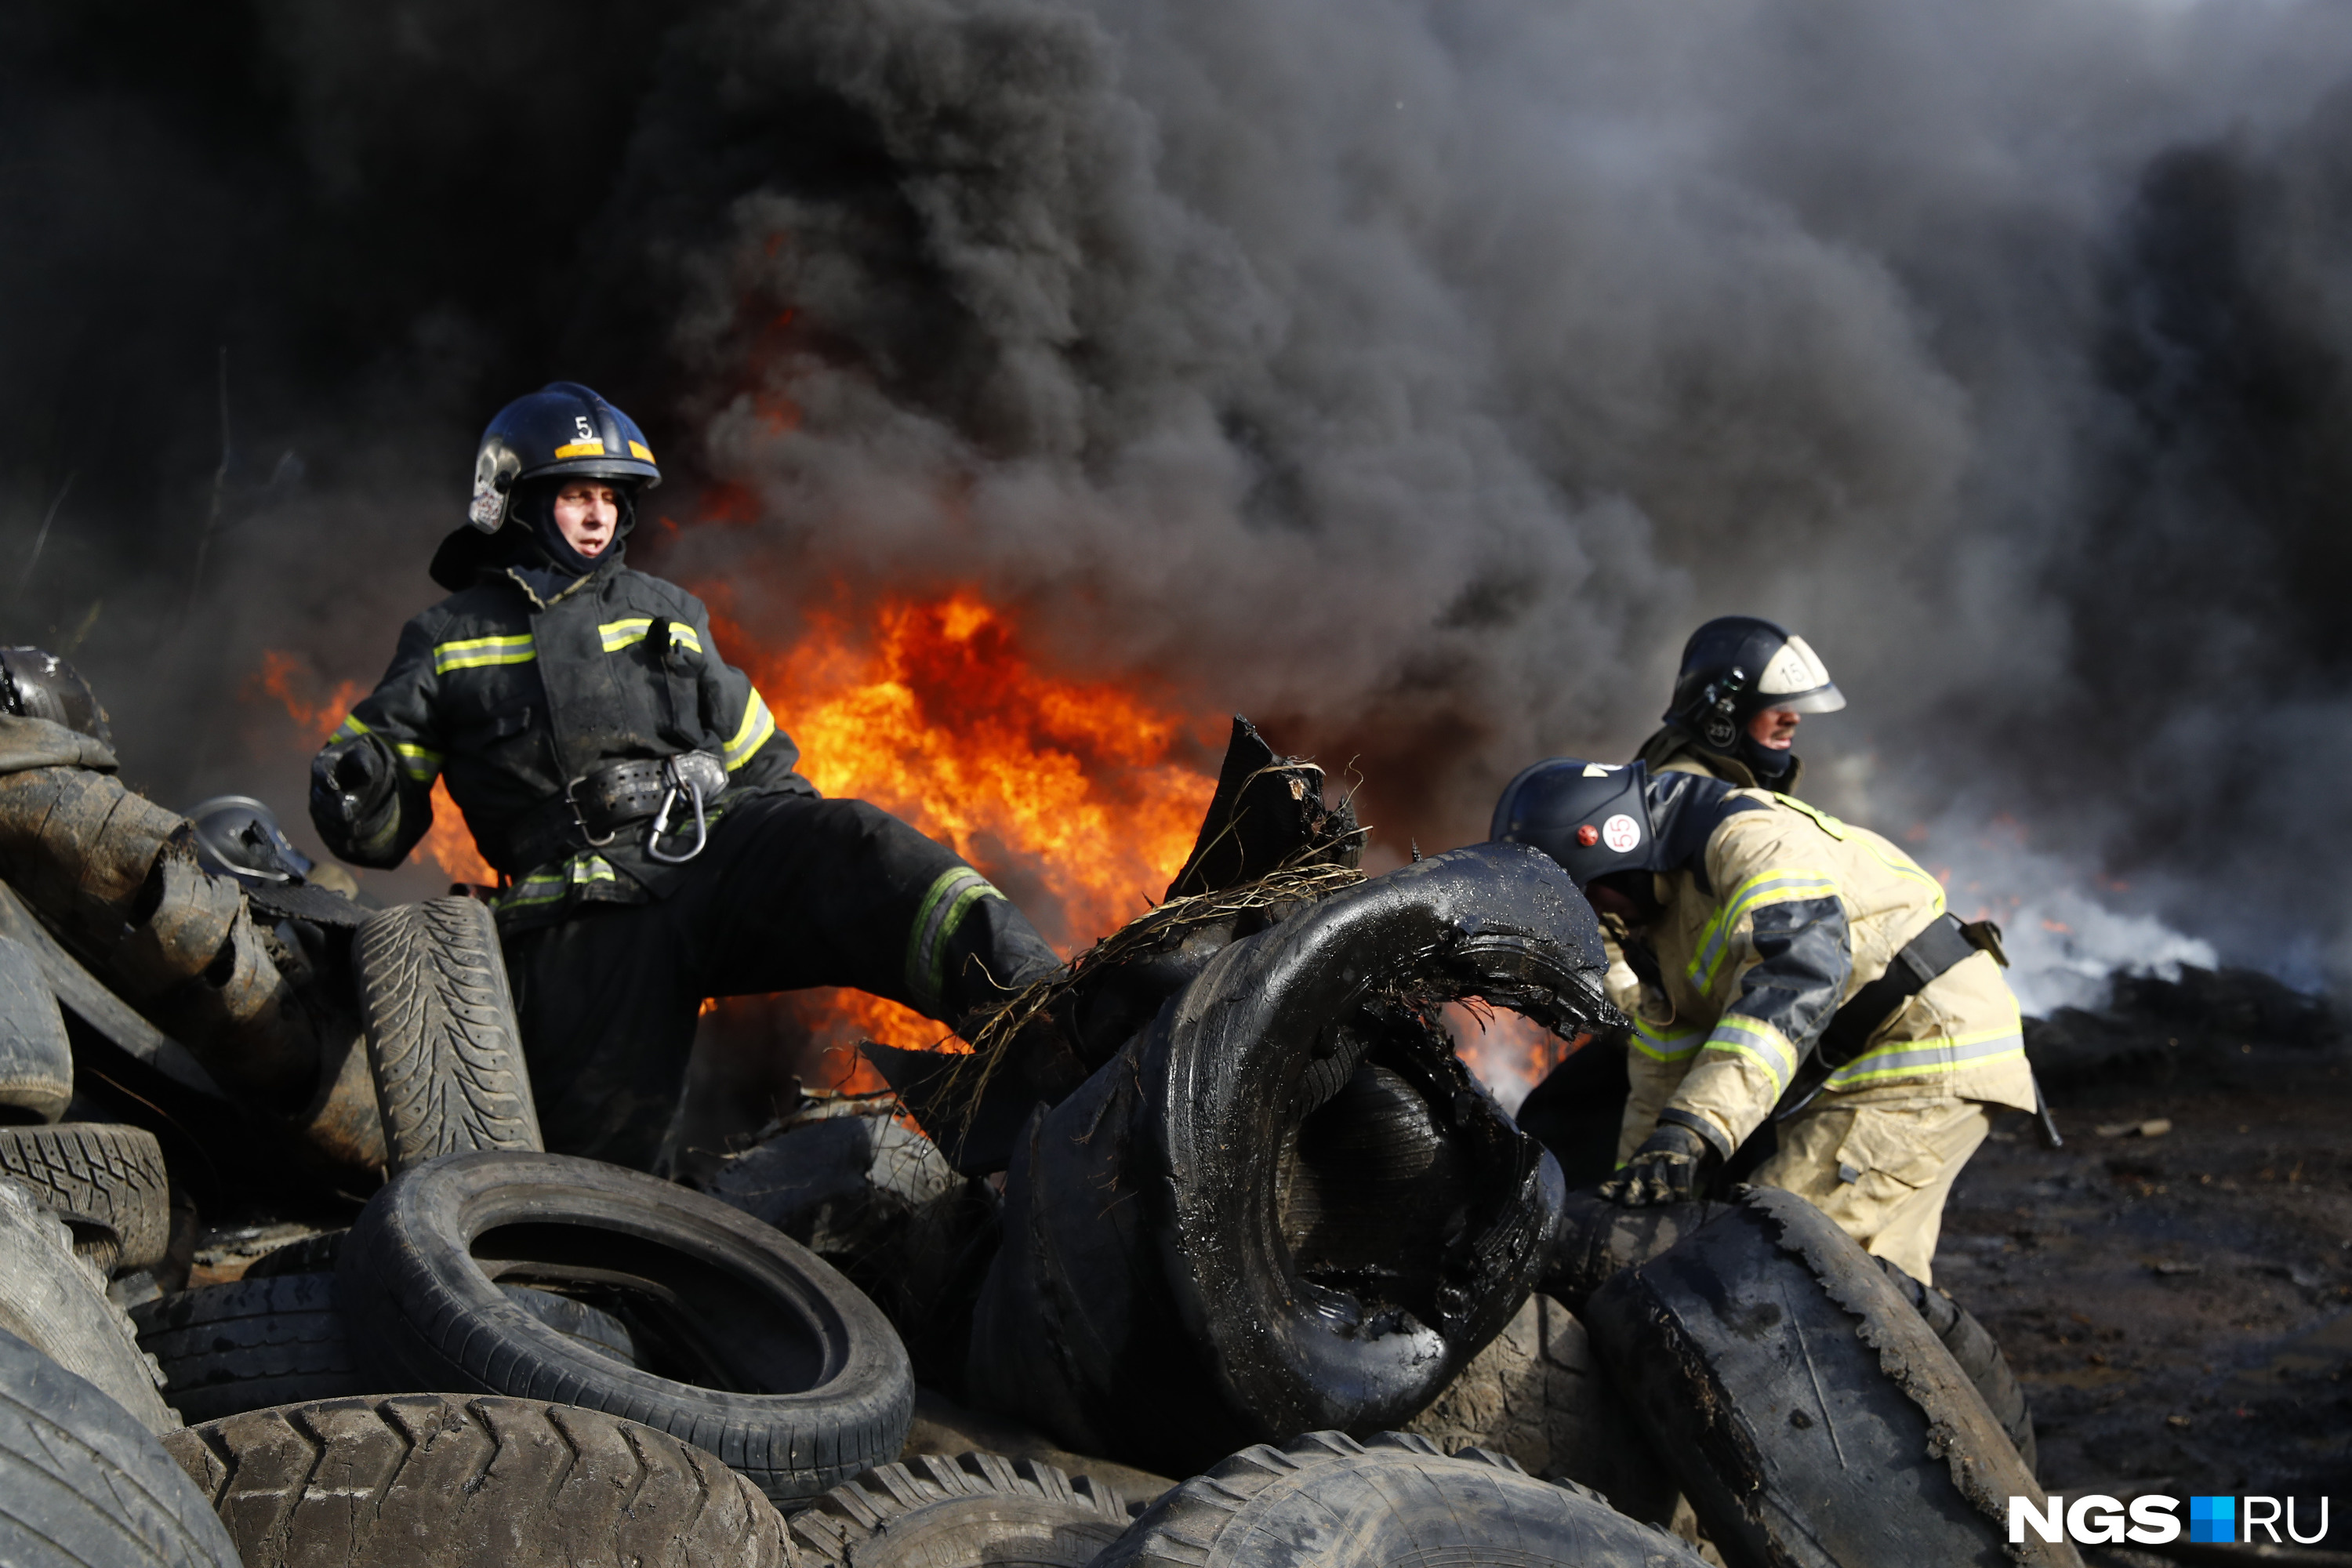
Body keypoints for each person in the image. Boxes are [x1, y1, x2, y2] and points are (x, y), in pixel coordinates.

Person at [309, 383, 1061, 1169]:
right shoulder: (447, 635)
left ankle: (1042, 1008)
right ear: (517, 501)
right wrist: (357, 782)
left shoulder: (667, 610)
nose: (598, 515)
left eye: (610, 497)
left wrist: (791, 860)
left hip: (703, 858)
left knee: (856, 844)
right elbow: (379, 814)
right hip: (579, 917)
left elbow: (762, 760)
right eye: (576, 495)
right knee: (602, 1174)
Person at [1491, 757, 2033, 1282]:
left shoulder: (1749, 841)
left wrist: (1696, 1127)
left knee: (1778, 1258)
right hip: (1858, 1064)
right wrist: (1643, 1174)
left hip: (1923, 1049)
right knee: (1861, 1280)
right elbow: (1663, 1060)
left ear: (1614, 848)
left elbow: (1794, 980)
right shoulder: (1655, 915)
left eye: (1584, 892)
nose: (1590, 912)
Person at [1634, 615, 1844, 794]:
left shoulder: (1727, 784)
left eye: (1792, 705)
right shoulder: (1685, 793)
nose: (1793, 718)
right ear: (1726, 714)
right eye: (1778, 706)